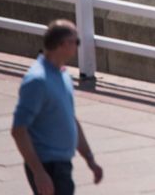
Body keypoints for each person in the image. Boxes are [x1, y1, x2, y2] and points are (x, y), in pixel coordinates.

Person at [11, 20, 104, 195]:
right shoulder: (37, 81)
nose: (77, 47)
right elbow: (19, 130)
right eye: (76, 42)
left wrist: (90, 159)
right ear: (62, 45)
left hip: (61, 165)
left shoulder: (62, 74)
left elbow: (71, 119)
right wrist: (39, 172)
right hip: (47, 166)